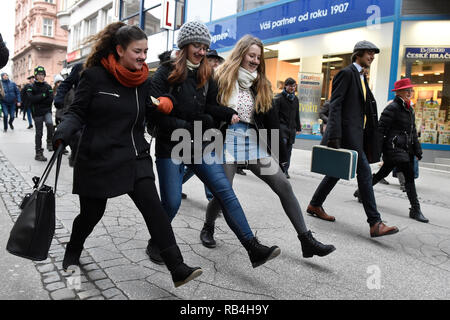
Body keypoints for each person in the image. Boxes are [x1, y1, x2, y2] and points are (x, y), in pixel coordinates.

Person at [52, 22, 202, 288]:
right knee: (91, 214)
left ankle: (177, 267)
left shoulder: (142, 79)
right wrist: (63, 131)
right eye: (137, 51)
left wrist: (163, 105)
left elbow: (148, 108)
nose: (143, 57)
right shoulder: (94, 76)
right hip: (99, 156)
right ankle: (73, 250)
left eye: (146, 51)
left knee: (155, 210)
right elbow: (77, 111)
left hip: (135, 155)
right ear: (120, 50)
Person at [147, 21, 281, 268]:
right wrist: (195, 122)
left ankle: (253, 247)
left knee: (224, 192)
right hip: (172, 145)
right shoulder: (165, 72)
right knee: (172, 202)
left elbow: (208, 107)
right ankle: (157, 241)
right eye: (197, 46)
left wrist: (225, 112)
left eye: (205, 47)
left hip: (200, 144)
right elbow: (155, 115)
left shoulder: (205, 73)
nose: (201, 51)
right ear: (185, 45)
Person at [201, 34, 335, 258]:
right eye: (251, 55)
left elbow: (272, 122)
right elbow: (207, 109)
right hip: (226, 139)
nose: (254, 61)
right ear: (241, 53)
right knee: (223, 191)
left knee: (283, 185)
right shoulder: (221, 77)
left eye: (258, 58)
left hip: (251, 141)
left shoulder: (261, 83)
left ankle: (306, 240)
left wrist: (281, 158)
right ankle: (208, 226)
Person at [306, 40, 399, 238]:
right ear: (357, 54)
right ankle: (375, 222)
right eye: (369, 53)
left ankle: (315, 204)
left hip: (358, 136)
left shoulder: (362, 77)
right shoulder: (346, 73)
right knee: (364, 173)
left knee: (335, 172)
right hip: (347, 136)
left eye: (374, 54)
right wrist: (334, 137)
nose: (372, 57)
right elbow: (335, 107)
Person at [353, 78, 428, 223]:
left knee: (383, 172)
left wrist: (418, 151)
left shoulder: (409, 109)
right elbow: (380, 130)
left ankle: (362, 191)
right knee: (409, 176)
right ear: (398, 92)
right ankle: (415, 209)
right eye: (407, 90)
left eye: (410, 90)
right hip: (393, 148)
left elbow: (413, 132)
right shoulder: (392, 108)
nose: (409, 92)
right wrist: (378, 152)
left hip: (405, 149)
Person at [54, 62, 84, 167]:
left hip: (98, 113)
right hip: (79, 108)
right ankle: (75, 157)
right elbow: (65, 84)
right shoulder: (81, 66)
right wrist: (59, 99)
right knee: (76, 136)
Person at [273, 77, 301, 179]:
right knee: (282, 149)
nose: (292, 88)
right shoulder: (278, 98)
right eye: (290, 86)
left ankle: (285, 170)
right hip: (282, 128)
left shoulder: (296, 99)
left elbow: (297, 114)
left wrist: (298, 127)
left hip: (291, 130)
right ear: (285, 86)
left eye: (294, 86)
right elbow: (274, 115)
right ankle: (278, 170)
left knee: (289, 151)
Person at [26, 66, 54, 161]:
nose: (41, 76)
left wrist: (39, 99)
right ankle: (38, 153)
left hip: (46, 110)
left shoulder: (48, 86)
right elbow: (31, 99)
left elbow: (50, 99)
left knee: (50, 124)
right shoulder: (31, 86)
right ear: (35, 76)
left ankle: (49, 141)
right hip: (37, 112)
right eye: (38, 75)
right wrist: (43, 96)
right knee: (39, 133)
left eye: (42, 75)